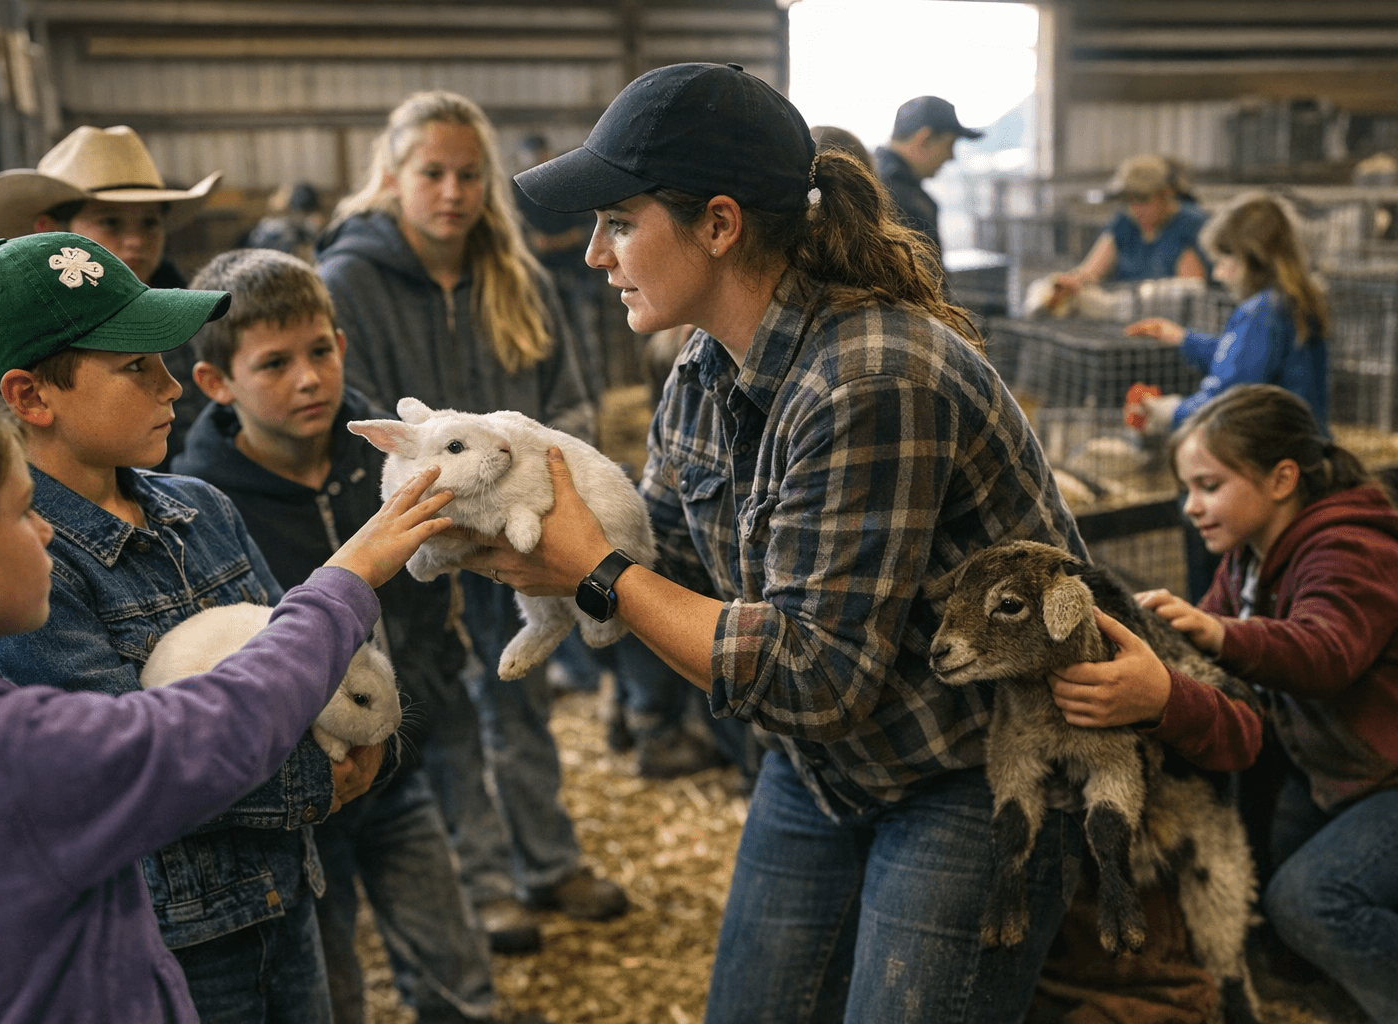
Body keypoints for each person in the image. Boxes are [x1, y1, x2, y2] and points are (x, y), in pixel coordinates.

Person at [507, 62, 1088, 1022]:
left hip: (973, 766)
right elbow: (680, 573)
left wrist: (597, 572)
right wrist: (528, 535)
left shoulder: (872, 379)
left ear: (721, 225)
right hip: (825, 764)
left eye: (618, 223)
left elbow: (818, 677)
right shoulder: (703, 365)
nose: (595, 257)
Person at [0, 377, 451, 1020]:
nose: (46, 531)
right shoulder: (4, 758)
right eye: (22, 510)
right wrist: (346, 582)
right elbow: (212, 727)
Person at [0, 231, 381, 1023]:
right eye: (136, 366)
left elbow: (301, 669)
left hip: (283, 894)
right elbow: (122, 764)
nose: (173, 386)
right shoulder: (27, 571)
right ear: (31, 396)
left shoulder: (202, 508)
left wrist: (344, 730)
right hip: (173, 941)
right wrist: (321, 781)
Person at [172, 247, 536, 1024]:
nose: (308, 377)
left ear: (341, 343)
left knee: (449, 950)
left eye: (319, 349)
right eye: (273, 363)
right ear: (216, 383)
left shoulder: (404, 455)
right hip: (304, 788)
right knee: (327, 972)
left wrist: (433, 679)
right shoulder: (205, 504)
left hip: (400, 760)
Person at [315, 89, 622, 954]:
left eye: (469, 175)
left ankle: (549, 859)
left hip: (530, 530)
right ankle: (486, 881)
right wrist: (454, 529)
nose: (452, 191)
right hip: (431, 544)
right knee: (443, 711)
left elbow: (570, 401)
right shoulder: (351, 283)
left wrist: (552, 508)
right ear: (392, 175)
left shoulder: (519, 281)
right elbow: (371, 421)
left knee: (525, 701)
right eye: (432, 173)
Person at [1142, 384, 1398, 1022]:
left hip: (1388, 777)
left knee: (1309, 901)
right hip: (1340, 777)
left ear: (1282, 478)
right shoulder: (1246, 563)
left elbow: (1326, 650)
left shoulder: (1352, 547)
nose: (1191, 507)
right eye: (1186, 489)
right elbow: (1204, 662)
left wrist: (1221, 634)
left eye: (1209, 485)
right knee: (1257, 879)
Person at [0, 123, 222, 466]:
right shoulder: (21, 336)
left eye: (149, 223)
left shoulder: (195, 314)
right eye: (111, 223)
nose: (135, 241)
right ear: (49, 230)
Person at [1124, 194, 1329, 601]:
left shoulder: (1260, 310)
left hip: (1256, 457)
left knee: (1220, 564)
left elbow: (1228, 396)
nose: (1218, 273)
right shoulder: (1295, 300)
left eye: (1223, 260)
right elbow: (1246, 357)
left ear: (1250, 259)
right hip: (1302, 450)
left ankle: (1214, 625)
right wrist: (1184, 338)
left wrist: (1170, 411)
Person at [513, 134, 605, 399]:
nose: (538, 167)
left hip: (575, 276)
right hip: (538, 281)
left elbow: (589, 229)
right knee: (545, 344)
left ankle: (594, 403)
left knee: (586, 343)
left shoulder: (569, 187)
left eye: (542, 161)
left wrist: (553, 243)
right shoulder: (518, 192)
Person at [1053, 154, 1209, 300]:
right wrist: (1072, 282)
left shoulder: (1188, 225)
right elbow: (1091, 271)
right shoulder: (1123, 224)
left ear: (1165, 194)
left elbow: (1191, 289)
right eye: (1129, 200)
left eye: (1143, 199)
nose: (1136, 209)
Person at [872, 95, 984, 257]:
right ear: (924, 139)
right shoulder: (897, 198)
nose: (951, 156)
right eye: (949, 144)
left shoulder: (873, 180)